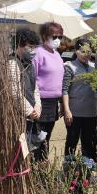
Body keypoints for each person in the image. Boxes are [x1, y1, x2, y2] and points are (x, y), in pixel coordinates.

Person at [30, 21, 66, 162]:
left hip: (53, 102)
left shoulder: (56, 54)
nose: (57, 40)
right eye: (54, 36)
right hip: (40, 102)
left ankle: (42, 166)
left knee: (47, 136)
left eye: (60, 37)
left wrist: (62, 103)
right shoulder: (38, 53)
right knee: (39, 137)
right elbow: (32, 79)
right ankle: (37, 166)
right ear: (45, 36)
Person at [65, 37, 97, 167]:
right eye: (82, 51)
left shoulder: (94, 67)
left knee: (89, 142)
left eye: (88, 51)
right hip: (74, 112)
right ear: (76, 51)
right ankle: (68, 168)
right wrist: (66, 110)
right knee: (71, 141)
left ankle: (88, 169)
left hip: (91, 112)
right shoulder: (69, 67)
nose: (86, 54)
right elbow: (65, 90)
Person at [6, 27, 42, 151]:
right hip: (19, 116)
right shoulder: (12, 63)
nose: (33, 51)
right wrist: (30, 111)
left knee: (31, 151)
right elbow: (14, 92)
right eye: (30, 47)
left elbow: (35, 87)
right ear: (20, 45)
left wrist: (37, 106)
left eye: (35, 47)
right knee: (20, 151)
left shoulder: (30, 63)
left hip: (31, 115)